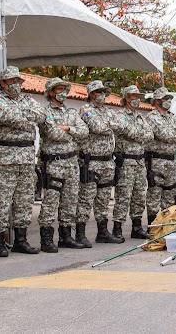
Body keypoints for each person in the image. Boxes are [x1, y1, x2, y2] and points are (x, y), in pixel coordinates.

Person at [0, 66, 46, 257]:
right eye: (11, 81)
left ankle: (21, 240)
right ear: (2, 83)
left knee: (24, 201)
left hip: (26, 158)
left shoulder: (28, 99)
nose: (16, 84)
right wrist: (26, 117)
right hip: (3, 158)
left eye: (18, 81)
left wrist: (22, 116)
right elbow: (7, 117)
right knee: (1, 201)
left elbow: (42, 115)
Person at [37, 78, 88, 252]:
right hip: (54, 162)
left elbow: (84, 131)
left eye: (65, 89)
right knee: (51, 201)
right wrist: (70, 129)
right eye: (59, 89)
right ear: (51, 92)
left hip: (72, 162)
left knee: (70, 200)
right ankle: (46, 238)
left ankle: (66, 236)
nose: (63, 92)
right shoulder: (44, 112)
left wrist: (66, 128)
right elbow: (52, 133)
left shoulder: (72, 112)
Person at [77, 80, 124, 246]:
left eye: (103, 91)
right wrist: (112, 125)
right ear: (91, 94)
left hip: (107, 162)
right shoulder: (86, 110)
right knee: (86, 198)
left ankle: (102, 232)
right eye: (98, 92)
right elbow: (97, 127)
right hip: (92, 163)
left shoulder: (109, 111)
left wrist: (112, 125)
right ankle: (80, 233)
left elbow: (122, 127)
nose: (102, 95)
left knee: (103, 199)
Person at [112, 85, 154, 240]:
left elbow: (150, 135)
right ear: (126, 97)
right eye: (134, 96)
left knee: (139, 195)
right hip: (126, 160)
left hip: (140, 161)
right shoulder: (120, 115)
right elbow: (123, 129)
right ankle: (118, 228)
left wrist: (134, 133)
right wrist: (137, 133)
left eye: (138, 96)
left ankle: (137, 227)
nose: (137, 99)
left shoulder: (140, 117)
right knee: (124, 195)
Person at [144, 87, 176, 226]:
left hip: (170, 161)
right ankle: (153, 225)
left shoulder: (171, 117)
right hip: (156, 160)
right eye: (165, 99)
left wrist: (173, 134)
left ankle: (167, 224)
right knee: (154, 194)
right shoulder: (151, 117)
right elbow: (163, 134)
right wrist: (174, 135)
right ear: (156, 101)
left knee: (169, 194)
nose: (168, 101)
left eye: (169, 99)